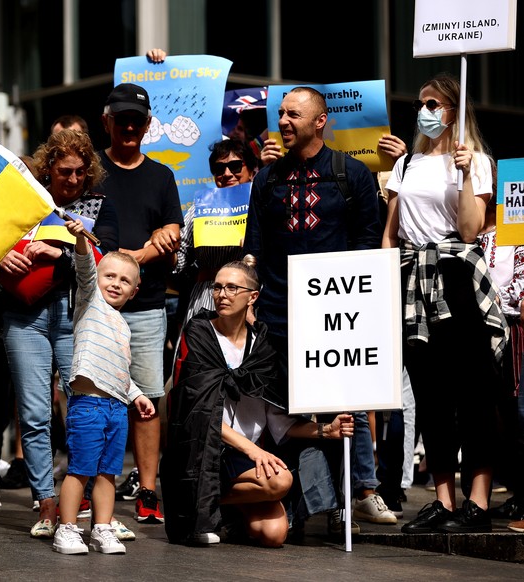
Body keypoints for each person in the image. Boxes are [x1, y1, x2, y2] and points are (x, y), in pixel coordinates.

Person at [244, 86, 386, 532]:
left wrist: (360, 310)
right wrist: (250, 303)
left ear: (321, 120)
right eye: (280, 114)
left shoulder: (353, 175)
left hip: (336, 317)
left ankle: (351, 501)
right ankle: (310, 507)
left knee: (340, 410)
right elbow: (255, 247)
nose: (283, 122)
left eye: (293, 115)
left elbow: (367, 246)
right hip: (278, 316)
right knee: (292, 413)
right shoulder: (266, 179)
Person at [383, 74, 506, 534]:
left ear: (455, 109)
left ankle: (477, 501)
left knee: (474, 391)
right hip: (412, 277)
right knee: (430, 394)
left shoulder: (476, 161)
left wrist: (465, 174)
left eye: (433, 103)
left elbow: (472, 230)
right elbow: (390, 232)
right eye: (420, 103)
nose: (424, 111)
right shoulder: (407, 163)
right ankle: (443, 500)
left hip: (455, 276)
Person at [162, 259, 354, 546]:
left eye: (231, 287)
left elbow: (280, 422)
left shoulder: (261, 347)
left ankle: (224, 510)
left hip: (244, 457)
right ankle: (190, 503)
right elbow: (198, 413)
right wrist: (253, 451)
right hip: (203, 449)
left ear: (252, 296)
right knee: (280, 481)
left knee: (274, 535)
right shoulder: (200, 333)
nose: (221, 294)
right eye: (217, 287)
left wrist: (327, 430)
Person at [0, 128, 118, 538]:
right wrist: (0, 263)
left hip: (75, 319)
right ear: (48, 168)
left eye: (81, 172)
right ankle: (46, 503)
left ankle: (92, 502)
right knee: (34, 414)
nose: (72, 180)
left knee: (87, 410)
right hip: (23, 316)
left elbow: (108, 256)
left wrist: (62, 253)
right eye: (65, 171)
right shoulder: (24, 199)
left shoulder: (98, 206)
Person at [94, 82, 183, 525]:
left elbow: (173, 236)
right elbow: (88, 232)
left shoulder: (162, 176)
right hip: (95, 308)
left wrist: (134, 256)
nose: (129, 126)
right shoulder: (89, 171)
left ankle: (148, 489)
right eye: (121, 119)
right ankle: (93, 483)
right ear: (106, 121)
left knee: (148, 400)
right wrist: (146, 249)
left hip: (148, 307)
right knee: (93, 398)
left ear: (148, 126)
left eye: (137, 120)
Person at [52, 218, 154, 555]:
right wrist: (81, 240)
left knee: (109, 473)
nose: (116, 283)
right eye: (109, 276)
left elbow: (122, 371)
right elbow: (84, 266)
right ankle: (66, 529)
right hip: (88, 405)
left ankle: (102, 528)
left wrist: (137, 395)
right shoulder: (90, 302)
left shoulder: (123, 326)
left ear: (134, 291)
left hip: (116, 408)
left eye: (125, 281)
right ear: (97, 279)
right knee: (80, 470)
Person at [476, 188, 524, 531]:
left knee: (517, 412)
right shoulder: (468, 231)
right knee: (488, 415)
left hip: (512, 327)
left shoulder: (516, 229)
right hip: (476, 330)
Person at [174, 138, 258, 328]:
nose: (227, 174)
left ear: (252, 170)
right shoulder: (200, 207)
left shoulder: (263, 205)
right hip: (207, 298)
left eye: (235, 166)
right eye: (219, 169)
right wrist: (167, 245)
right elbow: (181, 257)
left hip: (253, 299)